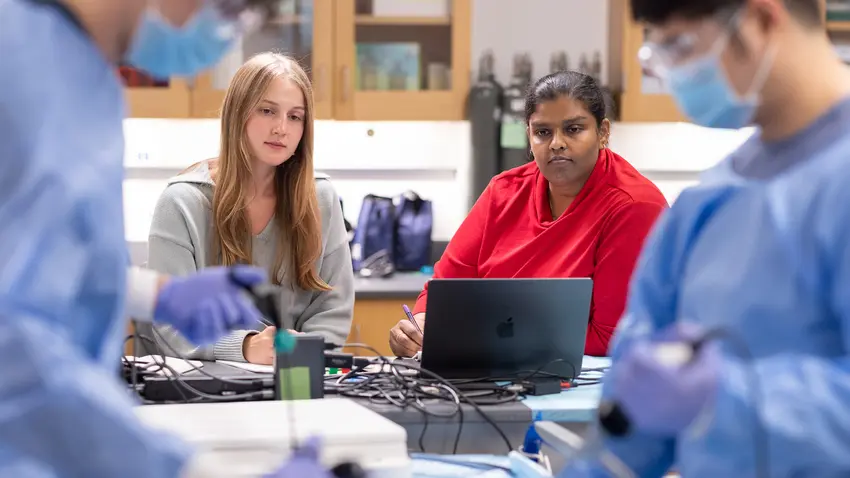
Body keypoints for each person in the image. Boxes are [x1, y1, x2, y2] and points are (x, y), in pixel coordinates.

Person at [0, 0, 333, 476]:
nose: (224, 28)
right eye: (230, 8)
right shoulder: (17, 61)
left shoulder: (87, 79)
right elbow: (15, 345)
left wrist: (157, 294)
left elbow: (52, 265)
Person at [562, 0, 850, 476]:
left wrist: (726, 397)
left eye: (678, 45)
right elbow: (633, 422)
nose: (671, 72)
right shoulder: (711, 202)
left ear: (758, 20)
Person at [389, 71, 668, 358]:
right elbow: (444, 289)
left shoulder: (634, 206)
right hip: (489, 375)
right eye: (543, 132)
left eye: (573, 129)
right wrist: (421, 324)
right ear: (529, 136)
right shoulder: (503, 191)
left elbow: (610, 337)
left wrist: (481, 336)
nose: (557, 143)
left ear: (603, 132)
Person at [141, 52, 354, 365]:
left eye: (295, 116)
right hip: (199, 390)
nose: (282, 128)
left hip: (292, 381)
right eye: (267, 111)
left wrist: (301, 356)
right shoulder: (182, 202)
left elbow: (331, 311)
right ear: (237, 114)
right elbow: (171, 324)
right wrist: (246, 347)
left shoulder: (321, 198)